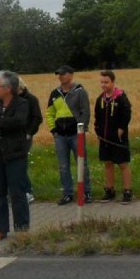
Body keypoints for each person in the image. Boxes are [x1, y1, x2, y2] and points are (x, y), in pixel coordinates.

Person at [0, 70, 31, 242]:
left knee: (17, 192)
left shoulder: (22, 103)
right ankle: (0, 229)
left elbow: (19, 122)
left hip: (15, 154)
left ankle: (22, 228)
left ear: (8, 88)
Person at [46, 65, 92, 205]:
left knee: (81, 164)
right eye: (59, 74)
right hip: (60, 135)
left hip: (75, 133)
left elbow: (85, 111)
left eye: (63, 74)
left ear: (71, 75)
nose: (60, 77)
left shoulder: (79, 91)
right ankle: (67, 193)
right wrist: (53, 130)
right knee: (63, 166)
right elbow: (50, 113)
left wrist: (82, 128)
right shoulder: (55, 93)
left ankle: (86, 192)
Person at [94, 70, 133, 204]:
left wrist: (121, 130)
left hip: (118, 138)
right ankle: (109, 190)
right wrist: (98, 131)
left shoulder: (121, 97)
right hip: (104, 138)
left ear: (113, 82)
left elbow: (127, 114)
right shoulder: (100, 99)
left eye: (106, 82)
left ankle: (127, 191)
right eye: (102, 82)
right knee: (108, 163)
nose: (103, 85)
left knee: (122, 164)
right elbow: (97, 117)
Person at [19, 80, 43, 204]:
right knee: (15, 165)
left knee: (21, 164)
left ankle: (27, 191)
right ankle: (18, 191)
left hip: (25, 137)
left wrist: (29, 133)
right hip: (11, 138)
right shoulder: (10, 99)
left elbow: (37, 118)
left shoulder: (31, 99)